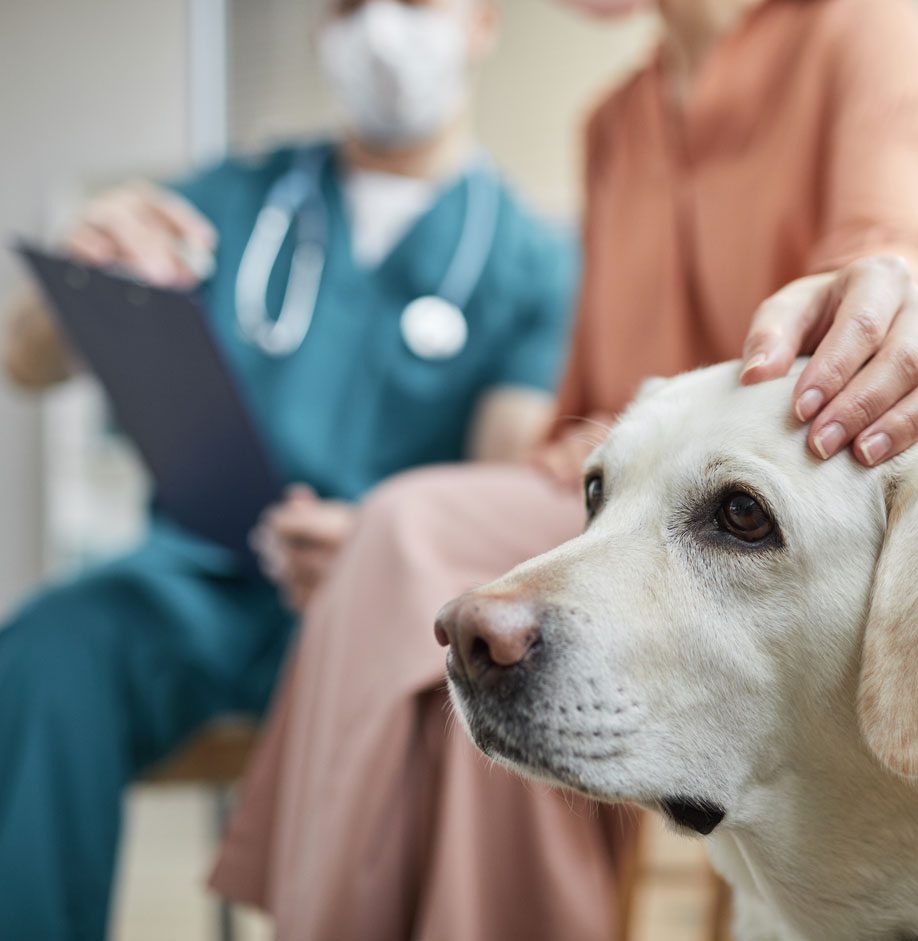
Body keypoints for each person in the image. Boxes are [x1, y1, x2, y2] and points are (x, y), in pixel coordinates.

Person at [210, 0, 918, 938]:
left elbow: (894, 234)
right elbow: (587, 414)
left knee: (411, 538)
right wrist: (429, 533)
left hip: (777, 505)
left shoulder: (856, 29)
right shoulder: (612, 123)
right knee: (411, 555)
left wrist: (887, 287)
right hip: (611, 497)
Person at [0, 1, 577, 937]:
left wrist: (376, 548)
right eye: (350, 4)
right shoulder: (239, 200)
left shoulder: (533, 258)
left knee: (460, 733)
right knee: (48, 650)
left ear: (481, 23)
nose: (381, 29)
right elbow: (25, 360)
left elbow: (500, 475)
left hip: (386, 612)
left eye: (417, 4)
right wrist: (80, 270)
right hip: (197, 588)